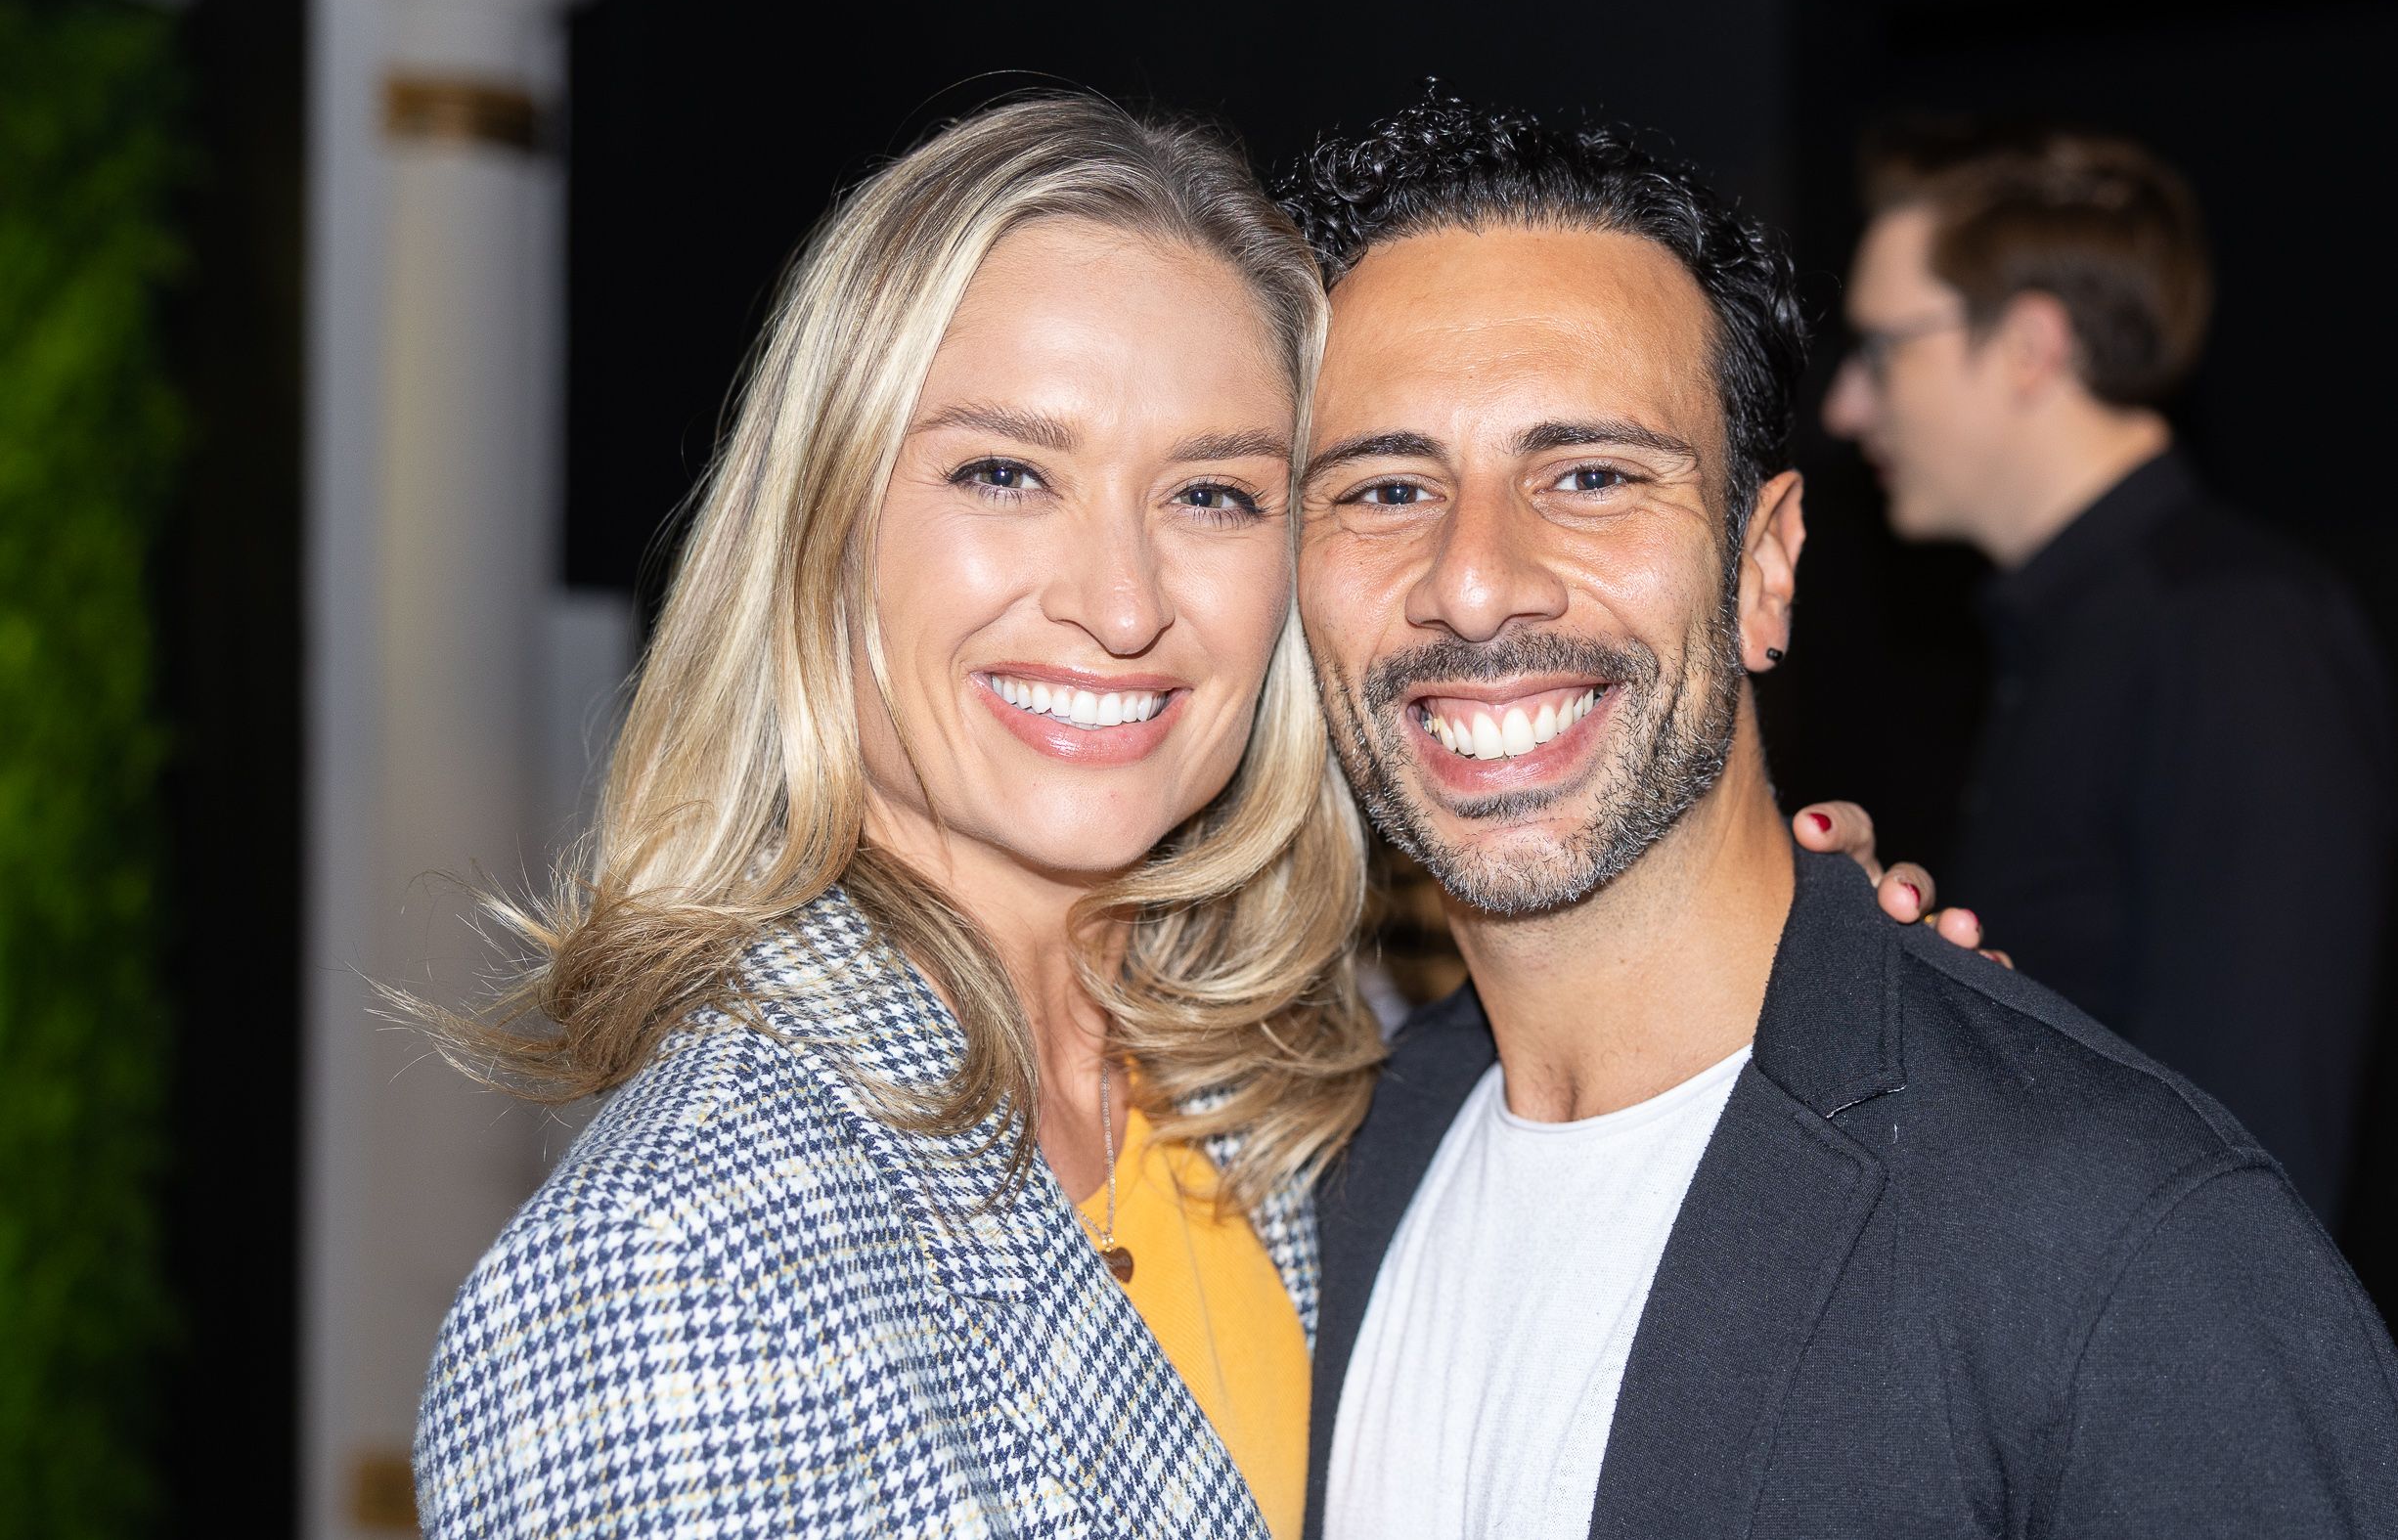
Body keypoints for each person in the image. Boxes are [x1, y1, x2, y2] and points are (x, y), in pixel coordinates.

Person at [408, 95, 1942, 1538]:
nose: (1122, 603)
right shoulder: (678, 1267)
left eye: (1213, 493)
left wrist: (1798, 973)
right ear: (821, 528)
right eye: (1007, 471)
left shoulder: (1294, 1076)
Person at [1277, 93, 2398, 1540]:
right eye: (1384, 484)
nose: (1476, 577)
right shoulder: (1323, 1175)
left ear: (1766, 563)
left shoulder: (2133, 1243)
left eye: (1592, 475)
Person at [1821, 122, 2393, 1220]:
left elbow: (2252, 1158)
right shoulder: (2077, 632)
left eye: (1885, 348)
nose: (1849, 406)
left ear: (2031, 345)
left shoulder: (2236, 630)